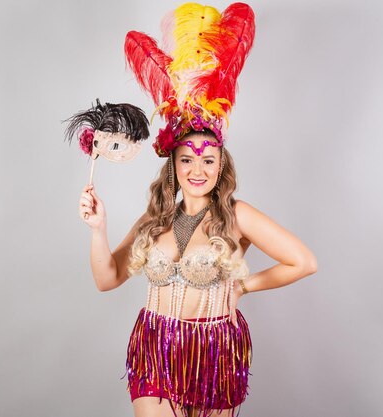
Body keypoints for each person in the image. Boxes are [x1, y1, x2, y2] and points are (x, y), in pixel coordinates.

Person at [78, 3, 317, 416]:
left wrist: (243, 286)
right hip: (155, 348)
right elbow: (106, 278)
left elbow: (303, 262)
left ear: (221, 163)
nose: (198, 169)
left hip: (216, 354)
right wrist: (98, 228)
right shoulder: (155, 219)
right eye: (187, 158)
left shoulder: (237, 216)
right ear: (173, 164)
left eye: (208, 159)